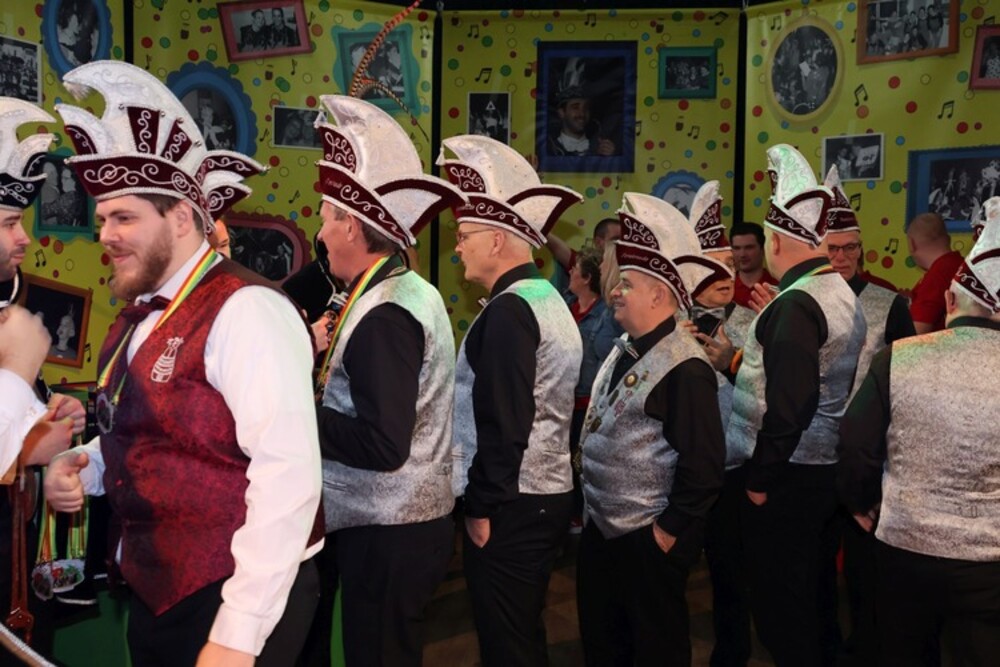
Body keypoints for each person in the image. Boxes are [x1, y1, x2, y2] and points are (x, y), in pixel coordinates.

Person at [43, 61, 322, 666]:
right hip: (159, 592)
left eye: (124, 218)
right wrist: (87, 465)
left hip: (233, 595)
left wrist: (237, 633)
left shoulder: (247, 309)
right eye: (102, 219)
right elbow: (153, 432)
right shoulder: (138, 315)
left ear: (180, 217)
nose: (106, 235)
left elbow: (289, 476)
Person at [306, 95, 465, 667]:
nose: (320, 234)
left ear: (351, 226)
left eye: (326, 219)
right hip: (398, 528)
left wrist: (299, 411)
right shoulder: (403, 290)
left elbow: (383, 444)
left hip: (389, 532)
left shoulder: (386, 315)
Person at [439, 134, 583, 667]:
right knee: (521, 633)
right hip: (543, 494)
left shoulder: (509, 311)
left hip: (513, 503)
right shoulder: (545, 297)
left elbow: (505, 424)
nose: (458, 247)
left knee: (507, 643)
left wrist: (481, 506)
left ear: (497, 240)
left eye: (464, 236)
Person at [837, 195, 1000, 666]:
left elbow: (855, 444)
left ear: (949, 300)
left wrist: (860, 504)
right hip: (991, 567)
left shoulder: (899, 357)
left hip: (904, 550)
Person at [725, 145, 866, 667]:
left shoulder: (798, 303)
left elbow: (792, 402)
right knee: (811, 594)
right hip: (818, 469)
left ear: (778, 241)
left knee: (782, 606)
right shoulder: (839, 291)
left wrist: (760, 478)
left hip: (787, 476)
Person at [576, 188, 725, 667]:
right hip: (603, 535)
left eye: (627, 284)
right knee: (606, 645)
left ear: (659, 294)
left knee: (655, 649)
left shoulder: (687, 368)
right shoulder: (626, 344)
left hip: (646, 542)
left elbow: (704, 467)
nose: (615, 290)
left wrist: (665, 534)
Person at [821, 166, 916, 664]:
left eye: (849, 249)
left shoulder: (888, 304)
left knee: (865, 566)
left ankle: (867, 646)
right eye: (832, 249)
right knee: (814, 562)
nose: (841, 258)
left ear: (861, 251)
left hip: (868, 456)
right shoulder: (803, 303)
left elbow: (905, 383)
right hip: (812, 453)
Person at [679, 181, 757, 667]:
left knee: (732, 574)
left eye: (731, 263)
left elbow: (775, 395)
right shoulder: (670, 324)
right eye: (715, 266)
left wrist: (735, 364)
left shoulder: (755, 321)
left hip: (734, 470)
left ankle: (732, 655)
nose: (727, 272)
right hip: (678, 471)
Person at [564, 246, 620, 531]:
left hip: (588, 401)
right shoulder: (564, 306)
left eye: (575, 270)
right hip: (564, 397)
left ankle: (580, 514)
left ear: (587, 278)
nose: (570, 272)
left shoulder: (606, 314)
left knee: (581, 461)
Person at [906, 211, 965, 333]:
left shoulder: (937, 276)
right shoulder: (962, 265)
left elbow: (916, 330)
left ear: (912, 244)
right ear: (948, 239)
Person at [547, 59, 615, 157]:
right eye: (575, 107)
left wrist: (610, 157)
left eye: (586, 108)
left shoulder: (599, 145)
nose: (582, 113)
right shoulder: (550, 147)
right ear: (562, 112)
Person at [546, 217, 621, 296]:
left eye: (625, 240)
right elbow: (556, 247)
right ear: (598, 242)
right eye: (616, 240)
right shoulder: (586, 264)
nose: (622, 244)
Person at [729, 221, 777, 310]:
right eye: (737, 248)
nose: (742, 254)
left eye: (749, 247)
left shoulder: (778, 287)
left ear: (763, 249)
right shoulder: (724, 287)